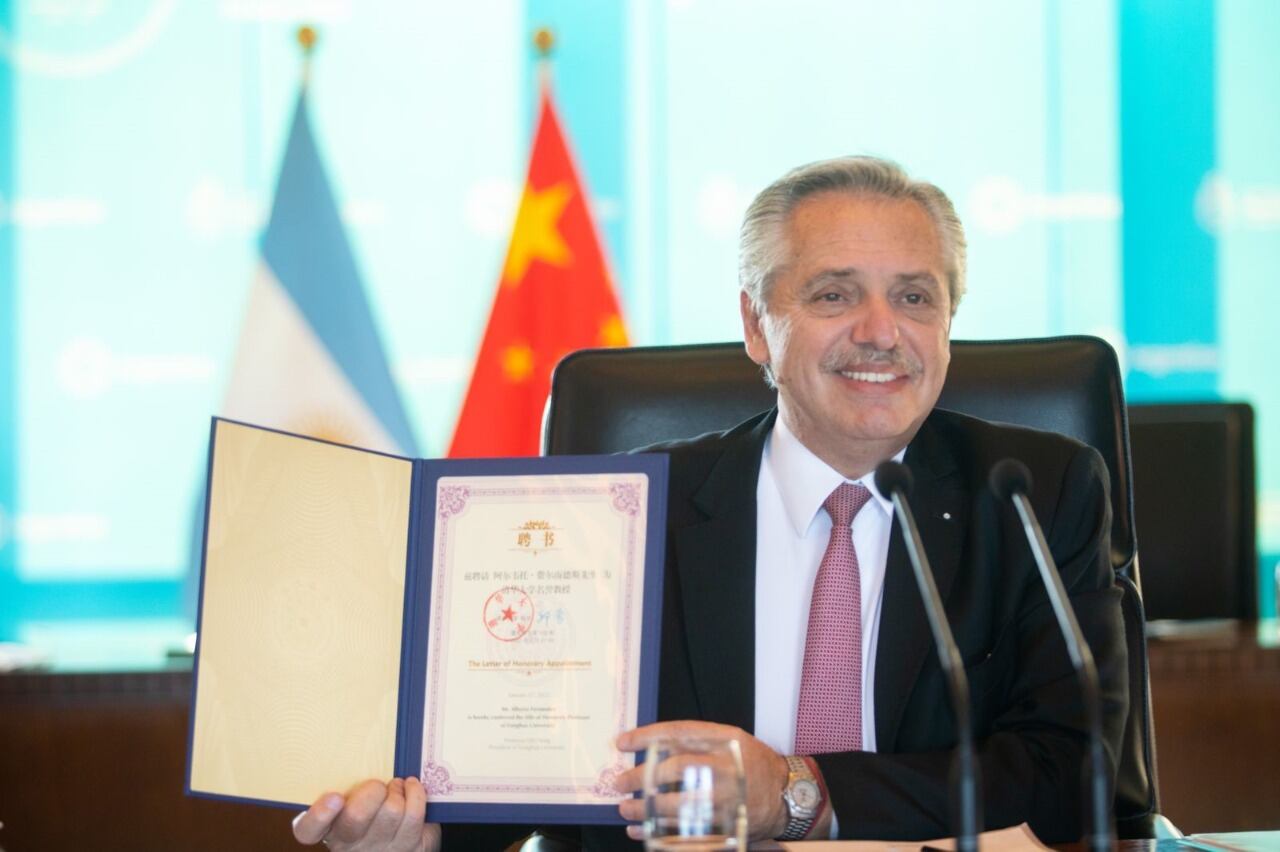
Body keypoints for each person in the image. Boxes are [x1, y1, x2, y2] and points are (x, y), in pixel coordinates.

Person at [291, 156, 1129, 851]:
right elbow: (542, 772)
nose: (881, 330)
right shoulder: (630, 514)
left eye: (915, 296)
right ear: (759, 325)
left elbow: (1073, 771)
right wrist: (421, 832)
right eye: (835, 294)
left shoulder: (1033, 494)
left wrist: (797, 793)